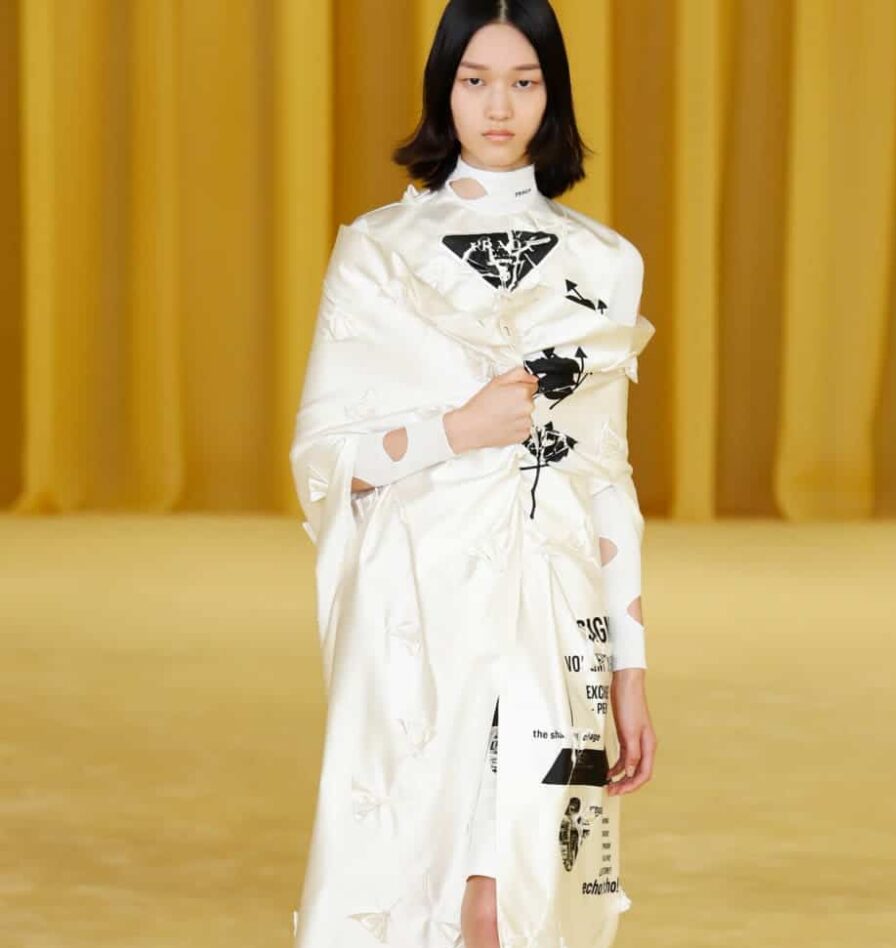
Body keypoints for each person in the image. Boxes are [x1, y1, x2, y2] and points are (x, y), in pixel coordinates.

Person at [288, 2, 657, 946]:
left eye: (524, 82)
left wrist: (628, 666)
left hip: (551, 602)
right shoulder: (379, 253)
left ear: (552, 94)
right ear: (443, 91)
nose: (500, 106)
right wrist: (458, 430)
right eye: (476, 80)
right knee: (428, 892)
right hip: (416, 609)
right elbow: (328, 463)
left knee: (518, 896)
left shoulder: (605, 264)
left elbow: (605, 476)